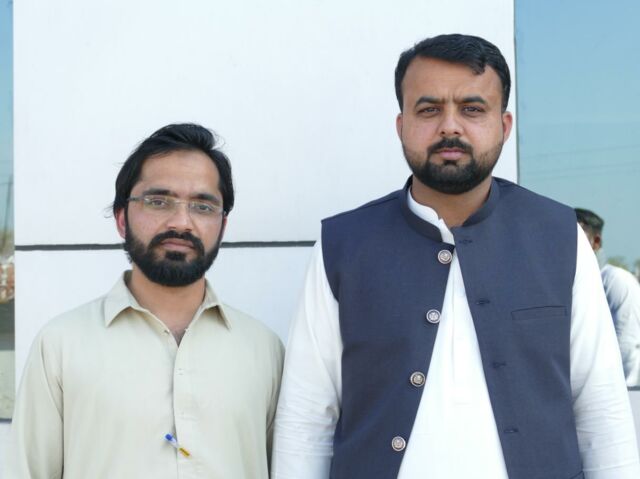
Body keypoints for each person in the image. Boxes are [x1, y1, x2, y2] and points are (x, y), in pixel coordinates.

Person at [271, 34, 639, 479]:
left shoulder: (559, 237)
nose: (450, 127)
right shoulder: (343, 245)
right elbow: (307, 417)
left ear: (504, 125)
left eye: (472, 109)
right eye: (429, 110)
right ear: (401, 125)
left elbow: (602, 410)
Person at [7, 123, 284, 478]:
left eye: (202, 206)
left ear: (222, 226)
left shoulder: (264, 349)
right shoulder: (61, 345)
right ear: (122, 218)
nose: (181, 222)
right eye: (158, 201)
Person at [576, 207, 640, 387]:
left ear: (596, 242)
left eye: (575, 238)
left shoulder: (615, 281)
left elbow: (628, 345)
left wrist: (626, 392)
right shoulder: (563, 284)